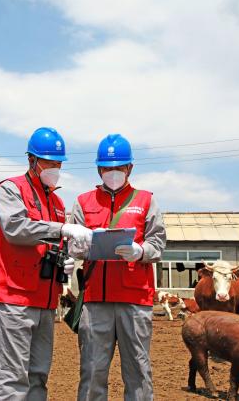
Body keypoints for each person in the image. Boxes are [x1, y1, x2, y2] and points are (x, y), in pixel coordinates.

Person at [0, 127, 93, 401]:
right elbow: (16, 228)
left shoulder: (56, 201)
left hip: (46, 300)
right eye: (49, 162)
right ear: (32, 160)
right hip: (14, 297)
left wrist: (67, 259)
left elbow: (55, 242)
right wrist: (62, 230)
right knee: (12, 376)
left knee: (38, 374)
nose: (55, 168)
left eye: (58, 163)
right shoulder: (11, 189)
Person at [69, 134, 166, 401]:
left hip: (135, 300)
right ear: (99, 169)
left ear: (130, 168)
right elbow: (72, 243)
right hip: (95, 300)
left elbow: (157, 243)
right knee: (91, 371)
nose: (113, 173)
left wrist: (140, 251)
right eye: (107, 168)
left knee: (138, 371)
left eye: (119, 168)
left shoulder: (146, 200)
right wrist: (78, 247)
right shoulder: (83, 201)